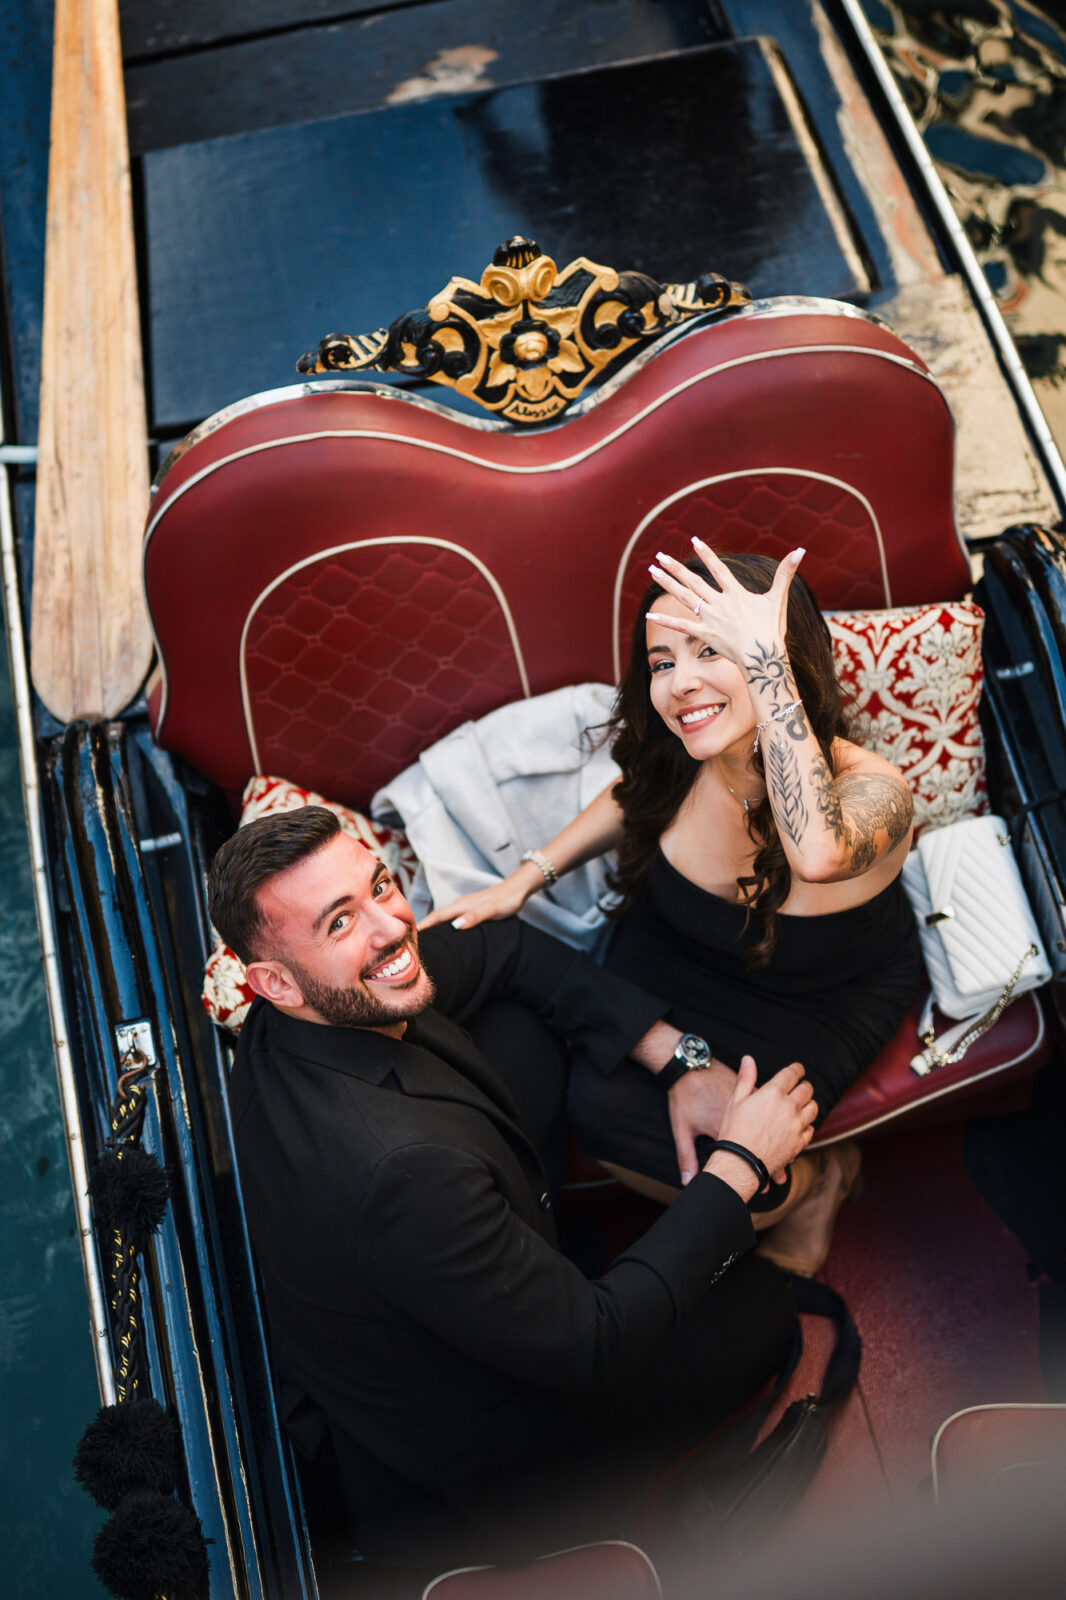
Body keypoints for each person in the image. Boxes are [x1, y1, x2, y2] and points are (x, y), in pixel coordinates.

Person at [207, 804, 817, 1584]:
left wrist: (680, 1058)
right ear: (273, 981)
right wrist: (739, 1163)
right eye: (338, 924)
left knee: (515, 1025)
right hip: (507, 1460)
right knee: (761, 1307)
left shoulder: (295, 1019)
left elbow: (501, 946)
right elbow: (594, 1343)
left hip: (422, 1287)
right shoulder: (399, 1171)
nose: (392, 928)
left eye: (380, 887)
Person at [423, 542, 921, 1276]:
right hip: (675, 945)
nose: (680, 684)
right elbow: (636, 794)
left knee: (750, 1168)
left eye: (709, 650)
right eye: (661, 662)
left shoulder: (875, 789)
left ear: (777, 655)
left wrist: (766, 663)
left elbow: (816, 851)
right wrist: (525, 878)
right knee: (599, 1107)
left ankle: (818, 1187)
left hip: (814, 994)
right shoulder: (688, 750)